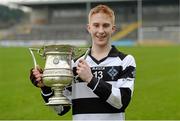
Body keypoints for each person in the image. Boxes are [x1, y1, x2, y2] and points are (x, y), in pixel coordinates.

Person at [30, 4, 136, 120]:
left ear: (113, 29)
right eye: (96, 25)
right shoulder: (73, 64)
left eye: (105, 25)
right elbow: (61, 109)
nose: (101, 31)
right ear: (89, 28)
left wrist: (91, 79)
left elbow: (122, 101)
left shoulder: (125, 61)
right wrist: (45, 87)